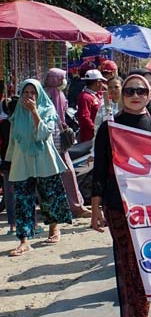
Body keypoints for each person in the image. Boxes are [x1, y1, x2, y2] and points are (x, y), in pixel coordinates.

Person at [91, 74, 151, 317]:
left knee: (144, 263)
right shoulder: (109, 129)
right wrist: (94, 209)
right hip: (116, 205)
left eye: (141, 90)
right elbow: (99, 171)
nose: (135, 95)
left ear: (150, 95)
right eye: (129, 91)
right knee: (127, 261)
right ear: (121, 95)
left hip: (149, 208)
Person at [7, 79, 73, 256]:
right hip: (22, 161)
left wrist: (35, 112)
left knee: (50, 195)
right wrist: (8, 162)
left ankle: (54, 229)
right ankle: (24, 240)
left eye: (33, 93)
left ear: (39, 94)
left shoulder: (48, 109)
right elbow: (13, 140)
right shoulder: (17, 113)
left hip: (45, 158)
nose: (29, 96)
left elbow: (43, 134)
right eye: (26, 93)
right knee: (22, 200)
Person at [44, 68, 90, 218]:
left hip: (51, 141)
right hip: (57, 142)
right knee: (67, 174)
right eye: (62, 78)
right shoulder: (55, 95)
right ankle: (75, 206)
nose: (64, 81)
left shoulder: (47, 94)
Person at [0, 96, 18, 236]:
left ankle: (13, 225)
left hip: (7, 165)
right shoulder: (24, 124)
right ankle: (33, 224)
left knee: (10, 195)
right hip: (22, 164)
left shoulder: (3, 124)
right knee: (26, 194)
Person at [76, 69, 105, 142]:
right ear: (98, 83)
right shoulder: (85, 97)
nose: (103, 84)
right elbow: (85, 117)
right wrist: (95, 129)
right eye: (102, 82)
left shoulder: (95, 95)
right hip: (90, 137)